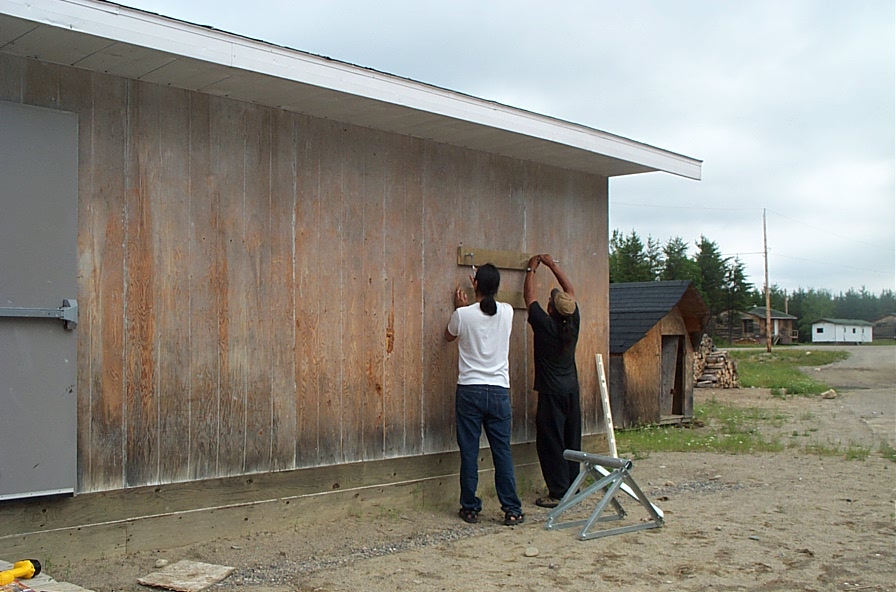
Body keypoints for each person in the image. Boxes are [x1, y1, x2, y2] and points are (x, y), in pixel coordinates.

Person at [445, 263, 525, 526]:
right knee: (502, 451)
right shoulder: (507, 312)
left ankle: (470, 508)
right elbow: (490, 308)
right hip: (499, 390)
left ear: (474, 283)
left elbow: (449, 335)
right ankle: (512, 509)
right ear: (497, 287)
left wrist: (458, 308)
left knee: (469, 452)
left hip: (470, 389)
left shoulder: (463, 315)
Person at [523, 253, 582, 508]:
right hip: (571, 390)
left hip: (550, 393)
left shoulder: (544, 326)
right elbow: (569, 290)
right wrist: (553, 265)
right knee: (571, 439)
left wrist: (532, 269)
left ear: (550, 310)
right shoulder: (573, 322)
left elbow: (529, 297)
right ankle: (573, 486)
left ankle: (557, 493)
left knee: (551, 442)